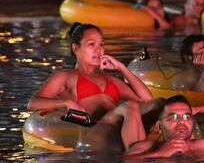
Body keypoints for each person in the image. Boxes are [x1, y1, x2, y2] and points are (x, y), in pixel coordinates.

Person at [27, 23, 155, 153]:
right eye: (91, 44)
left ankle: (138, 152)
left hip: (117, 129)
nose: (98, 50)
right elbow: (33, 103)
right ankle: (135, 158)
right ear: (76, 48)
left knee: (157, 103)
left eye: (101, 45)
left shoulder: (111, 80)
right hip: (94, 131)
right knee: (130, 106)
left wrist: (121, 68)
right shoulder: (65, 76)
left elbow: (147, 99)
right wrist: (67, 102)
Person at [129, 95, 204, 158]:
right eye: (174, 117)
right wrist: (160, 154)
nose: (181, 121)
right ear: (159, 125)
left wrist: (190, 154)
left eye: (186, 117)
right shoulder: (144, 147)